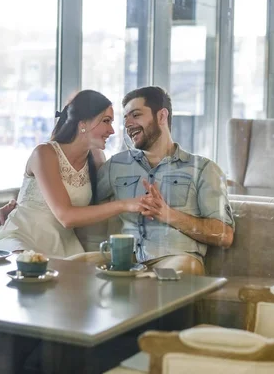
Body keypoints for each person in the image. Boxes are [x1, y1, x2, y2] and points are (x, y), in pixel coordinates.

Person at [94, 86, 234, 275]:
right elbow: (86, 203)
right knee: (71, 266)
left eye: (135, 115)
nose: (127, 124)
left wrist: (168, 214)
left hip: (175, 259)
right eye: (125, 118)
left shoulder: (203, 169)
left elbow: (224, 235)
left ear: (161, 116)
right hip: (125, 258)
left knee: (172, 277)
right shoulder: (115, 165)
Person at [0, 90, 145, 257]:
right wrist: (124, 205)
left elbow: (113, 190)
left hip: (65, 247)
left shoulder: (96, 158)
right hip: (22, 240)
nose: (111, 130)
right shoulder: (44, 153)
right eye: (106, 121)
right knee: (30, 266)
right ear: (83, 124)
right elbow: (66, 216)